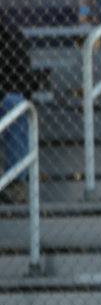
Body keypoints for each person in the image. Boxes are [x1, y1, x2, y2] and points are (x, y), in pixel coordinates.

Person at [0, 14, 40, 204]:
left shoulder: (12, 36)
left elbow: (24, 83)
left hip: (3, 102)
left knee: (15, 103)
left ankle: (14, 183)